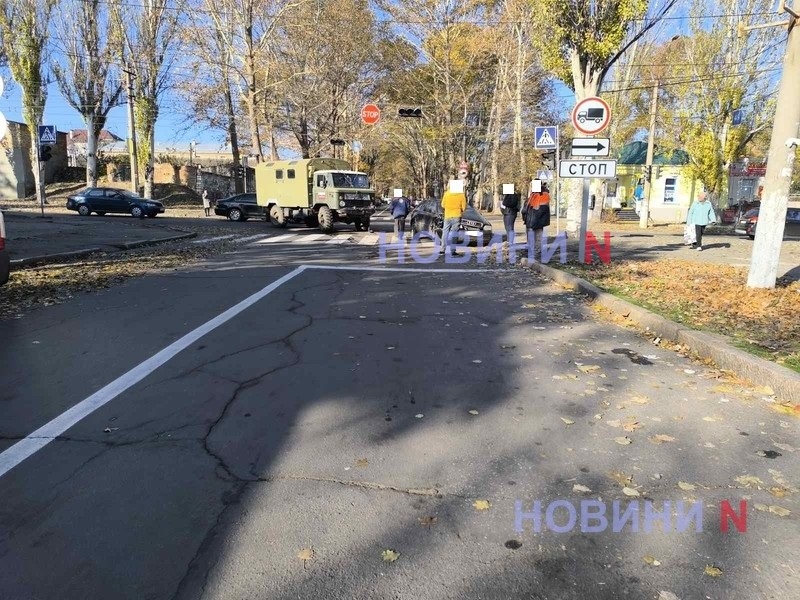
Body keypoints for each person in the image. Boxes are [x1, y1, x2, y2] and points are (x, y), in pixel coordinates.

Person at [523, 181, 551, 261]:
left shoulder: (543, 194)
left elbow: (541, 209)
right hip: (531, 219)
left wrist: (533, 220)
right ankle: (532, 253)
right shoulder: (533, 194)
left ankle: (536, 254)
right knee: (531, 238)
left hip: (537, 220)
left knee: (537, 237)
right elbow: (529, 207)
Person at [440, 180, 467, 257]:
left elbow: (442, 205)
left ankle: (442, 249)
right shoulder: (461, 195)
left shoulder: (447, 194)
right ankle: (453, 250)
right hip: (456, 216)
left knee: (445, 232)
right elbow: (464, 207)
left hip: (447, 216)